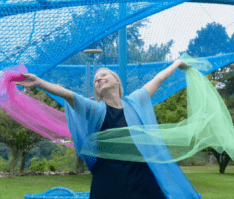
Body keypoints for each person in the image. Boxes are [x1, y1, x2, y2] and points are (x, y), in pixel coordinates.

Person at [16, 59, 193, 199]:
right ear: (97, 92)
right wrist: (39, 82)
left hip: (141, 181)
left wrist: (177, 63)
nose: (98, 78)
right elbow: (68, 95)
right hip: (109, 184)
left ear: (117, 81)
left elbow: (158, 79)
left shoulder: (134, 102)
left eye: (103, 74)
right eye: (95, 80)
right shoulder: (96, 110)